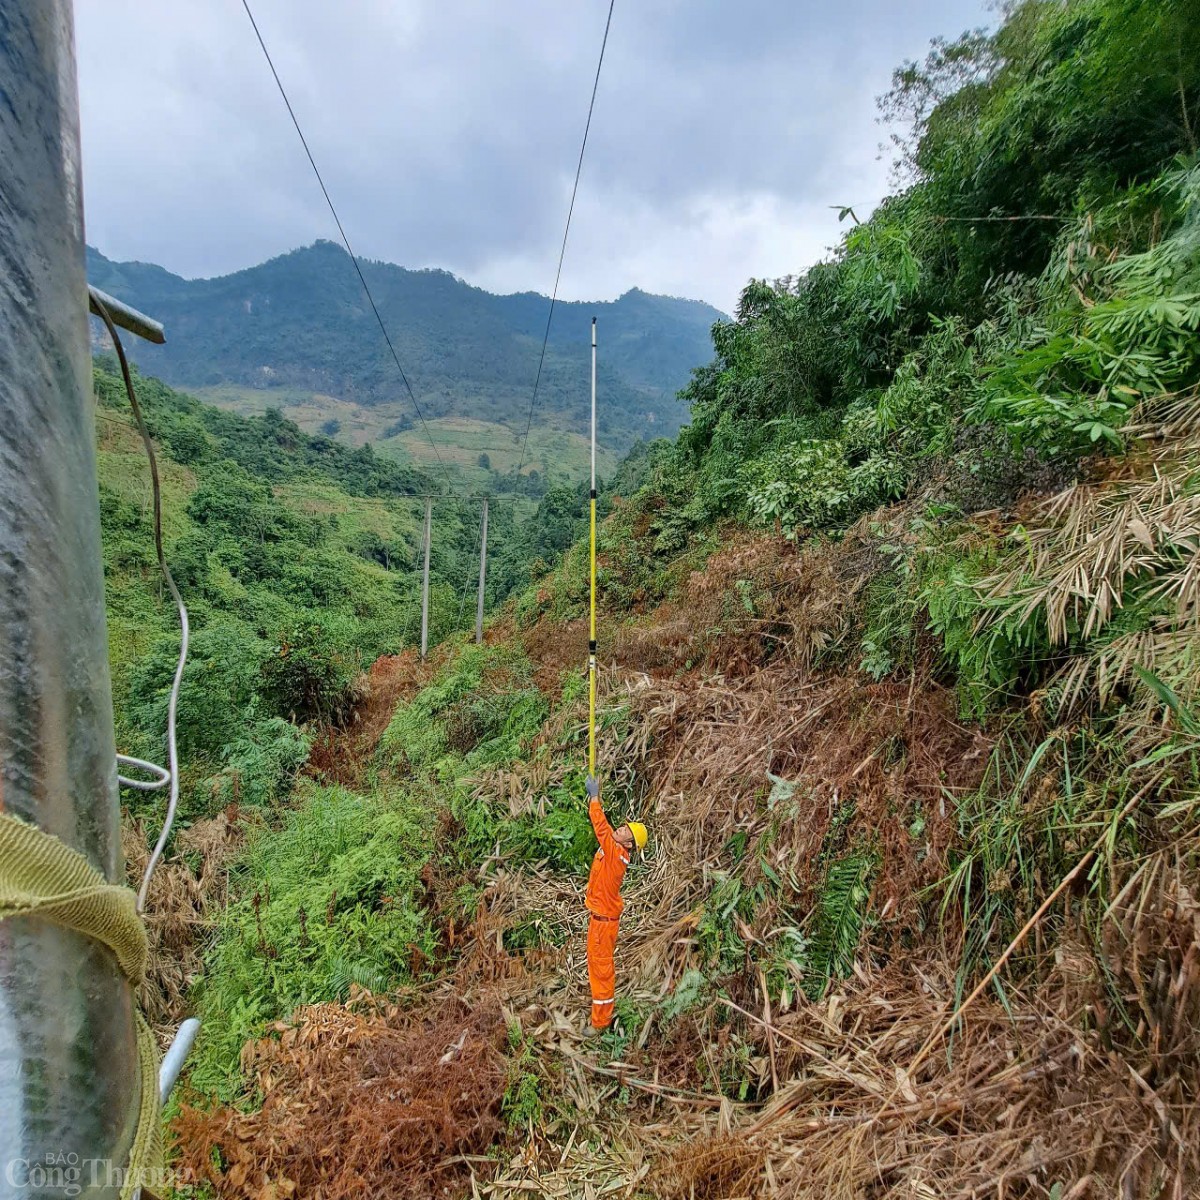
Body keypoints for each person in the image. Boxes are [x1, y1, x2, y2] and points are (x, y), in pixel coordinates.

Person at [584, 774, 647, 1032]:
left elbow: (601, 826)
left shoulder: (615, 851)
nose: (620, 829)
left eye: (625, 832)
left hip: (603, 924)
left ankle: (601, 1022)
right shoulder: (614, 847)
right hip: (599, 920)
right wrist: (594, 798)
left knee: (602, 970)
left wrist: (595, 798)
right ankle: (600, 1012)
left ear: (629, 844)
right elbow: (607, 831)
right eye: (623, 826)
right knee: (596, 966)